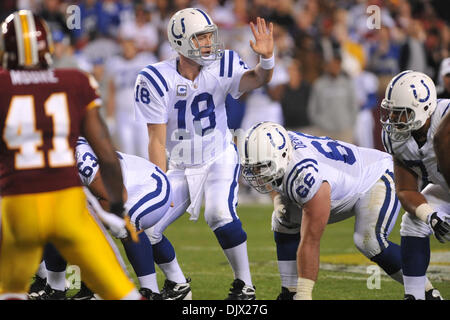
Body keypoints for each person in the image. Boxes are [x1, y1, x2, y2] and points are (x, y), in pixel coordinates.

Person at [134, 8, 274, 299]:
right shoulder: (156, 79)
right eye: (200, 38)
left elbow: (258, 79)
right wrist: (158, 185)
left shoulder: (222, 65)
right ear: (180, 43)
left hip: (218, 155)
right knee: (146, 227)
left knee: (218, 213)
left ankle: (245, 285)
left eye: (210, 36)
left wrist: (267, 59)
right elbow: (156, 141)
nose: (209, 43)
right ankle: (177, 283)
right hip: (181, 165)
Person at [0, 10, 141, 300]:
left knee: (10, 293)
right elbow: (105, 153)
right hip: (67, 204)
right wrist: (115, 205)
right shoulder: (75, 81)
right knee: (122, 293)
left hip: (18, 207)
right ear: (48, 47)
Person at [237, 121, 440, 300]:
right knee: (283, 218)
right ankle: (288, 292)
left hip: (375, 176)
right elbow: (275, 182)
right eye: (252, 168)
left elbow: (311, 240)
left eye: (260, 167)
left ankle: (427, 293)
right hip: (339, 181)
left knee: (369, 241)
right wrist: (279, 202)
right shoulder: (279, 148)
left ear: (281, 155)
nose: (256, 174)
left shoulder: (305, 174)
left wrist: (305, 292)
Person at [30, 137, 191, 300]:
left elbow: (118, 198)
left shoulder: (81, 160)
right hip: (110, 191)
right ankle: (56, 290)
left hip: (147, 185)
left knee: (125, 223)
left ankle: (150, 291)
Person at [380, 70, 449, 300]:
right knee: (414, 220)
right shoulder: (396, 138)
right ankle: (416, 295)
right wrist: (431, 215)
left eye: (401, 113)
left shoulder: (445, 114)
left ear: (424, 107)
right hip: (446, 188)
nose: (394, 119)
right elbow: (406, 189)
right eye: (392, 112)